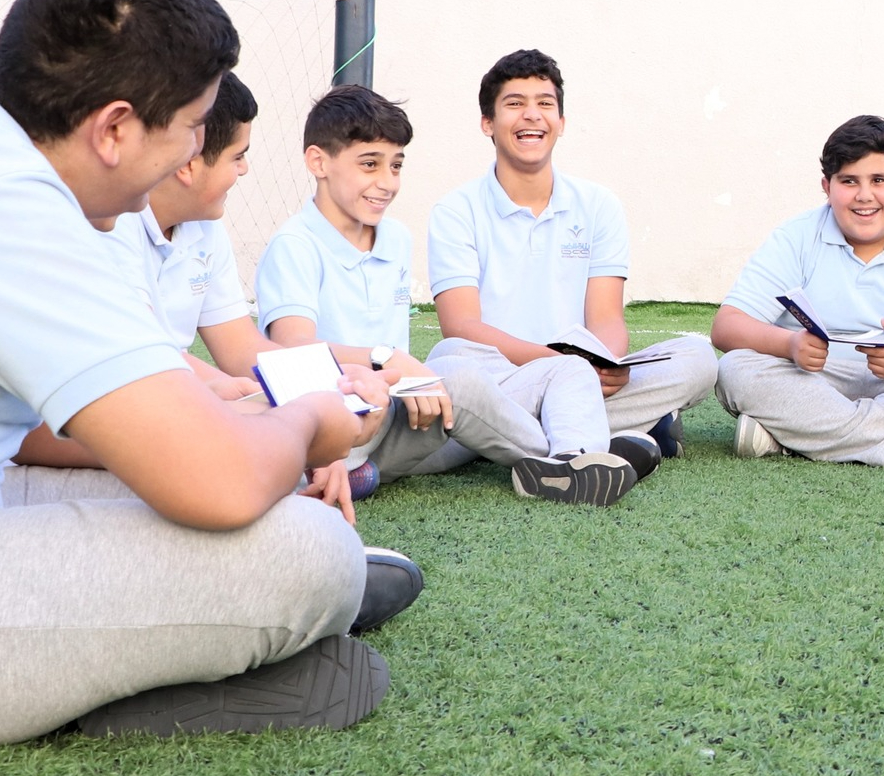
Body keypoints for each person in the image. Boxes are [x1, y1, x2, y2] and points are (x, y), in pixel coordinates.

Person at [0, 0, 393, 739]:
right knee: (313, 555)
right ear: (114, 130)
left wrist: (256, 423)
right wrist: (312, 420)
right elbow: (220, 482)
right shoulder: (20, 207)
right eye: (192, 126)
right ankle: (124, 678)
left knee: (266, 496)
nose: (194, 151)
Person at [256, 85, 649, 506]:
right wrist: (387, 359)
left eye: (396, 166)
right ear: (318, 162)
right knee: (457, 374)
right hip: (333, 423)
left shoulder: (394, 238)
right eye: (370, 164)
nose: (386, 183)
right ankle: (591, 454)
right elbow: (292, 347)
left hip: (398, 411)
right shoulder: (295, 245)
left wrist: (403, 376)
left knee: (558, 368)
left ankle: (577, 456)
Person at [427, 49, 716, 458]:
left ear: (561, 123)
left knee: (696, 358)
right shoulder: (455, 211)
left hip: (580, 378)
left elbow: (606, 318)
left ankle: (520, 437)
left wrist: (607, 363)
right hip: (503, 381)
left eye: (545, 104)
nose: (532, 115)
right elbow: (461, 326)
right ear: (487, 122)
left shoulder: (598, 204)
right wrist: (559, 369)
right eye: (515, 103)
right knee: (450, 360)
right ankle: (606, 432)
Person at [709, 115, 884, 469]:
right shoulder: (795, 236)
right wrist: (791, 344)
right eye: (848, 181)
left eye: (879, 180)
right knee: (734, 368)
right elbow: (727, 326)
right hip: (812, 380)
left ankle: (792, 437)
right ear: (827, 187)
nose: (864, 196)